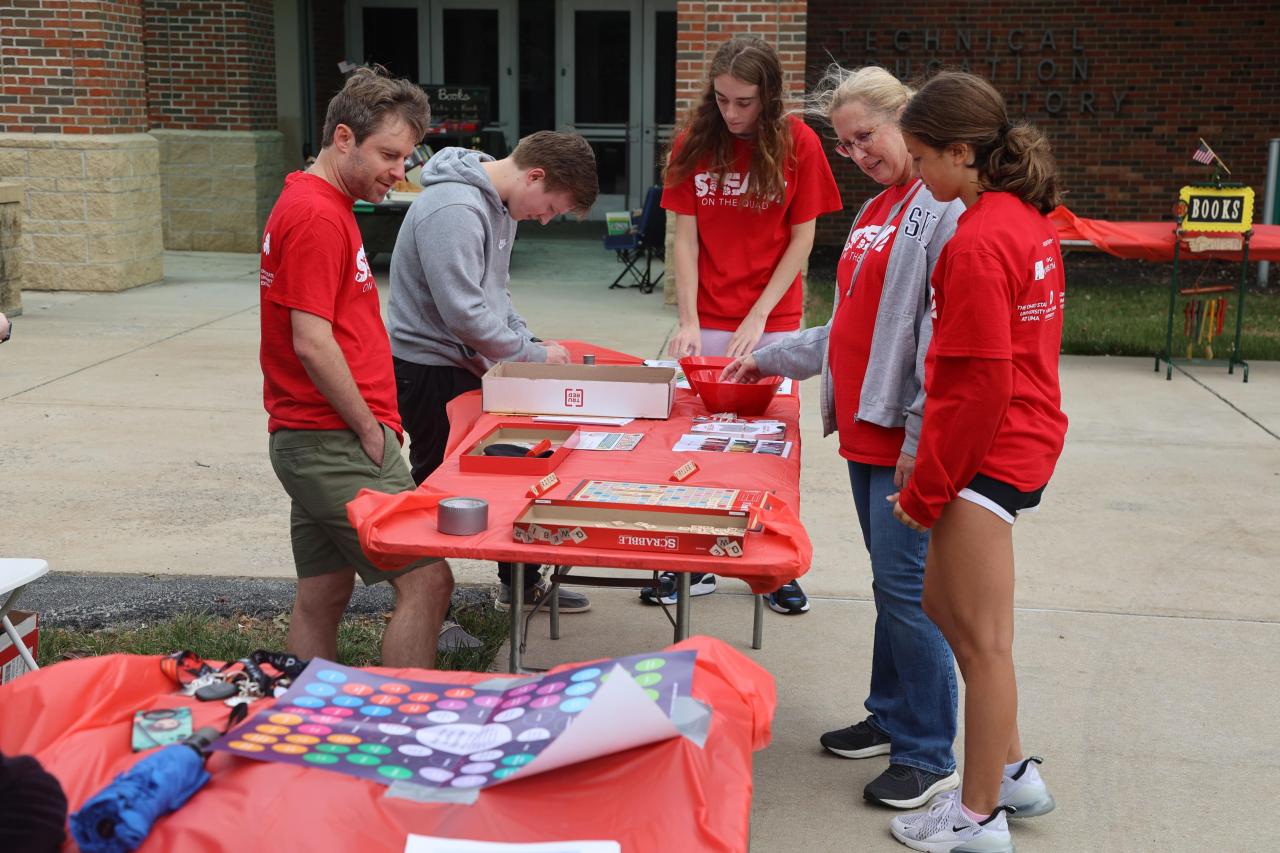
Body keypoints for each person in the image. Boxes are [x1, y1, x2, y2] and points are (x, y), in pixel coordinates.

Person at [722, 65, 964, 808]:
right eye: (845, 143)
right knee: (890, 588)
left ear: (907, 121)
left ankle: (929, 752)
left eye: (867, 136)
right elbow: (845, 329)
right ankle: (891, 715)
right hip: (862, 435)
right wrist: (766, 353)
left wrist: (921, 445)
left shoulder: (940, 209)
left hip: (901, 441)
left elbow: (938, 342)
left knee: (909, 593)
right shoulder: (874, 212)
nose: (857, 153)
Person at [886, 71, 1067, 853]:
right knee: (946, 608)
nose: (916, 175)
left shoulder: (980, 239)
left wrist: (926, 490)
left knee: (985, 644)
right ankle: (1015, 772)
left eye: (922, 158)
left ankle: (977, 815)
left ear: (962, 152)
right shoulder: (1019, 220)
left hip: (991, 456)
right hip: (1011, 443)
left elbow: (976, 387)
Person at [259, 67, 453, 667]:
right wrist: (370, 430)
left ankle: (302, 721)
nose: (399, 172)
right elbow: (312, 341)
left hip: (315, 437)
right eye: (388, 155)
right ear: (344, 138)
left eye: (406, 157)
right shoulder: (317, 215)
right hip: (333, 440)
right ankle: (403, 727)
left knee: (324, 592)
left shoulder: (318, 200)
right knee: (428, 581)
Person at [652, 36, 843, 615]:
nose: (732, 113)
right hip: (706, 316)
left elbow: (803, 237)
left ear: (769, 98)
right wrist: (688, 319)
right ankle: (696, 560)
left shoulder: (798, 142)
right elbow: (684, 237)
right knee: (695, 444)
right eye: (723, 99)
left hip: (775, 318)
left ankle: (770, 568)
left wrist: (761, 314)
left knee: (767, 451)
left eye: (745, 103)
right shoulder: (694, 141)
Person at [387, 131, 600, 616]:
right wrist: (528, 356)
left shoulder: (502, 206)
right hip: (430, 368)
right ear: (535, 174)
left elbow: (496, 294)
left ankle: (520, 585)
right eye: (550, 207)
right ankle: (422, 608)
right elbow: (463, 311)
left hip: (469, 360)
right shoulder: (454, 209)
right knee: (437, 482)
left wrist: (528, 342)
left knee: (508, 472)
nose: (545, 219)